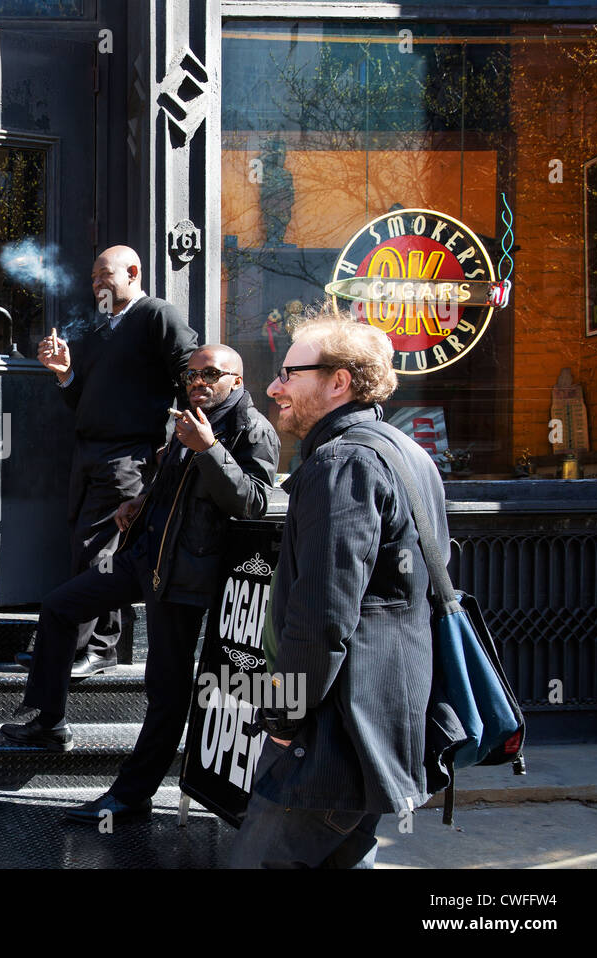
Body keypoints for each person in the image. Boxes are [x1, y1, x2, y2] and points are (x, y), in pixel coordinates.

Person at [228, 308, 448, 869]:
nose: (274, 386)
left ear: (338, 382)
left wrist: (280, 717)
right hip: (381, 722)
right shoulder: (408, 453)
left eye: (288, 373)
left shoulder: (342, 462)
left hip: (330, 737)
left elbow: (323, 615)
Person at [3, 346, 279, 783]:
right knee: (60, 605)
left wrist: (209, 450)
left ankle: (134, 793)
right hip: (142, 556)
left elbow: (253, 502)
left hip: (185, 574)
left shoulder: (251, 429)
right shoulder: (186, 419)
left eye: (210, 374)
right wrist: (139, 501)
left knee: (165, 689)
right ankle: (49, 722)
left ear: (237, 381)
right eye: (191, 376)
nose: (198, 383)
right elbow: (174, 488)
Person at [30, 245, 198, 677]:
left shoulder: (158, 315)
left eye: (105, 274)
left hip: (129, 457)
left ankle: (85, 649)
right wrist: (65, 374)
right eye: (93, 278)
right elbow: (84, 402)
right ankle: (84, 645)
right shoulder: (102, 330)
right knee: (90, 550)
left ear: (134, 273)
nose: (97, 284)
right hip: (89, 455)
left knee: (97, 552)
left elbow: (192, 375)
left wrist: (179, 444)